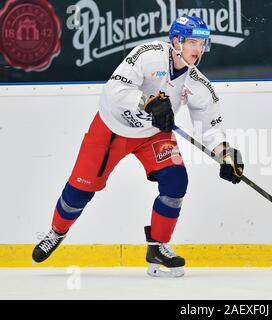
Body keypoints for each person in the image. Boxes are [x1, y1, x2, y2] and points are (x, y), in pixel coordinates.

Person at [32, 15, 244, 277]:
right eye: (192, 42)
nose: (198, 50)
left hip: (152, 135)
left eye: (202, 44)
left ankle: (157, 246)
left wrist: (226, 153)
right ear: (176, 41)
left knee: (176, 181)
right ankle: (56, 232)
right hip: (111, 128)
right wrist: (149, 101)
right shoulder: (148, 54)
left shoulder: (198, 84)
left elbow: (209, 126)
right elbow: (114, 89)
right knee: (80, 190)